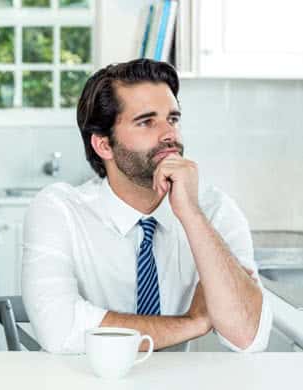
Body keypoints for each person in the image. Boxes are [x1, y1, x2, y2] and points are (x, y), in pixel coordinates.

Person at [22, 58, 272, 353]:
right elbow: (60, 330)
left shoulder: (214, 210)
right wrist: (193, 322)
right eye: (146, 122)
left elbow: (247, 335)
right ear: (103, 145)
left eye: (173, 119)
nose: (169, 134)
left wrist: (191, 214)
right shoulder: (60, 210)